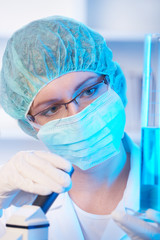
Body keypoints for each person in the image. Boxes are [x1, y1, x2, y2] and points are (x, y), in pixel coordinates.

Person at [0, 16, 159, 239]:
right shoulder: (11, 204)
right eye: (52, 109)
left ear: (112, 83)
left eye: (89, 91)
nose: (78, 116)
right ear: (32, 124)